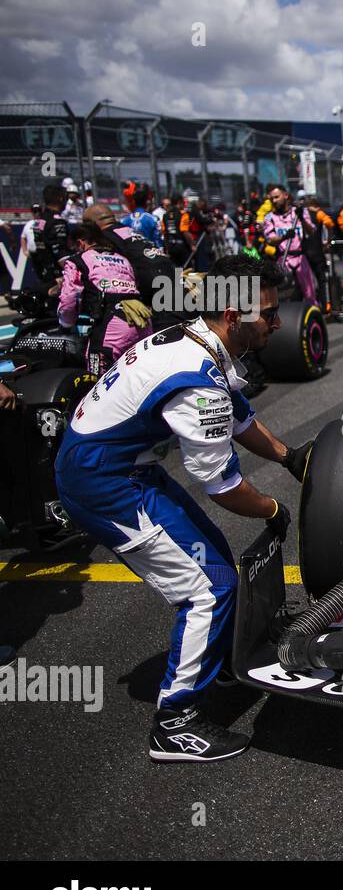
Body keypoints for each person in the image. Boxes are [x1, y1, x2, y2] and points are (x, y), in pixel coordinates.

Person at [55, 253, 311, 762]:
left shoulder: (197, 338)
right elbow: (221, 486)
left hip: (126, 466)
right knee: (207, 590)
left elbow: (239, 417)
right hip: (103, 483)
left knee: (217, 564)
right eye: (269, 313)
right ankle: (174, 723)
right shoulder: (196, 376)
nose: (279, 323)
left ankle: (220, 669)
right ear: (235, 316)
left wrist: (289, 458)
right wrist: (271, 511)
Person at [59, 222, 154, 377]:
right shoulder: (123, 259)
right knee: (138, 379)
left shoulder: (78, 260)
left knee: (97, 382)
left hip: (113, 325)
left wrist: (65, 323)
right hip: (142, 320)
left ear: (80, 242)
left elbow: (70, 299)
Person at [262, 183, 318, 307]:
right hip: (283, 259)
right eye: (272, 199)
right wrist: (284, 237)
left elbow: (311, 231)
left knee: (310, 294)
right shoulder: (270, 218)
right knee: (282, 294)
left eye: (277, 197)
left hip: (300, 258)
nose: (274, 201)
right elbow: (270, 240)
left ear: (285, 196)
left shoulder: (299, 213)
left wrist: (302, 218)